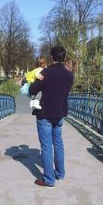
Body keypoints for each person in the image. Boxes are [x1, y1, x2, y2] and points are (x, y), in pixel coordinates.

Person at [29, 46, 74, 188]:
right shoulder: (69, 75)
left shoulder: (46, 73)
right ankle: (60, 174)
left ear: (52, 57)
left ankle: (48, 179)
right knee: (58, 143)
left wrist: (35, 78)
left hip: (45, 114)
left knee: (47, 146)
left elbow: (32, 90)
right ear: (64, 57)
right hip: (60, 113)